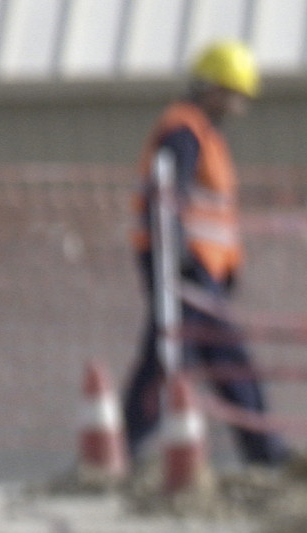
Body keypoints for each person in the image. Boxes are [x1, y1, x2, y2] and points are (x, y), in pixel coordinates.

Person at [123, 39, 289, 471]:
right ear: (214, 87)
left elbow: (208, 210)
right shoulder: (183, 130)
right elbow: (168, 195)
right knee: (182, 356)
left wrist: (226, 266)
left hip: (200, 267)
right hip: (184, 265)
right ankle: (124, 449)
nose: (240, 104)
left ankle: (265, 453)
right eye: (235, 93)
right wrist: (179, 258)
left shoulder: (203, 134)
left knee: (208, 356)